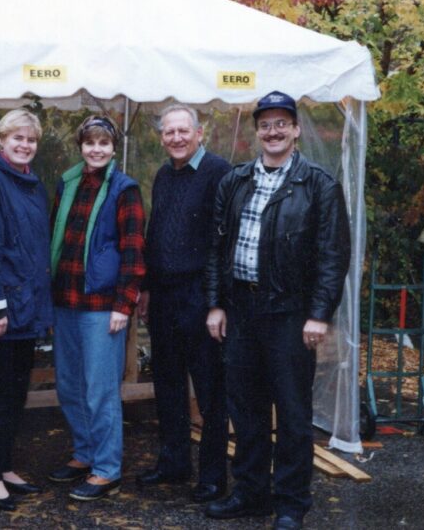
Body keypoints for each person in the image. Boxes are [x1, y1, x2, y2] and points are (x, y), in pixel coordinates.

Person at [203, 91, 350, 530]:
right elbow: (216, 249)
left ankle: (290, 503)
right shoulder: (235, 180)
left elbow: (332, 254)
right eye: (265, 124)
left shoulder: (318, 184)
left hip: (290, 313)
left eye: (281, 123)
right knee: (245, 410)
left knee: (292, 413)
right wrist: (216, 304)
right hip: (242, 311)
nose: (273, 131)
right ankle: (250, 493)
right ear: (257, 132)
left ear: (296, 130)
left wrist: (319, 313)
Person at [136, 105, 232, 503]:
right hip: (164, 298)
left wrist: (217, 303)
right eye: (169, 132)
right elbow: (157, 232)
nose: (176, 138)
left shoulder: (219, 172)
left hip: (200, 297)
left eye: (183, 131)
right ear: (162, 137)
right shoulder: (163, 174)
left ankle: (212, 478)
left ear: (199, 133)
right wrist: (145, 287)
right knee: (168, 385)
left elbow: (223, 242)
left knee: (210, 393)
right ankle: (174, 462)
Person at [47, 114, 146, 502]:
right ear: (81, 146)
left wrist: (124, 304)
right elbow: (56, 239)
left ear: (113, 147)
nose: (97, 149)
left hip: (103, 306)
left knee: (100, 389)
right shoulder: (68, 184)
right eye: (90, 143)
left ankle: (107, 468)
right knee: (70, 385)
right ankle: (84, 453)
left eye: (104, 143)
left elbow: (135, 252)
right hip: (65, 302)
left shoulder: (125, 190)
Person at [0, 109, 53, 512]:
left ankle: (5, 466)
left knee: (16, 395)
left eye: (31, 139)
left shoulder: (32, 184)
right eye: (17, 138)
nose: (24, 145)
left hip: (27, 309)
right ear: (1, 141)